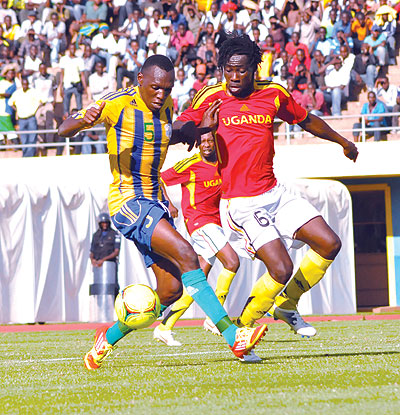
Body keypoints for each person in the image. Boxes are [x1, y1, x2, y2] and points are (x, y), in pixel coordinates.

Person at [58, 54, 268, 370]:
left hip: (154, 204)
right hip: (128, 204)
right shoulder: (118, 103)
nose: (161, 95)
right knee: (188, 254)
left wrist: (201, 129)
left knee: (169, 291)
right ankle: (234, 336)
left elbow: (174, 136)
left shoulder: (166, 106)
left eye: (167, 89)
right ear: (139, 80)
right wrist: (84, 118)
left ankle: (107, 339)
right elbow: (64, 129)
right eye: (155, 87)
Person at [176, 34, 358, 337]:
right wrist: (198, 128)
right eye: (228, 70)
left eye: (241, 70)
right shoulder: (210, 96)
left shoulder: (273, 93)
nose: (234, 77)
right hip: (240, 203)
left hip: (276, 193)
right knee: (281, 268)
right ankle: (243, 329)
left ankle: (287, 305)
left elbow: (305, 120)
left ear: (254, 69)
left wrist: (342, 141)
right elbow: (181, 125)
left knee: (329, 243)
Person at [153, 133, 250, 353]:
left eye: (210, 141)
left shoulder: (223, 164)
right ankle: (213, 317)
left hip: (216, 223)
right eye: (203, 142)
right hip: (199, 222)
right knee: (232, 262)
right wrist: (168, 203)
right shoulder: (191, 164)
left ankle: (165, 326)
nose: (206, 145)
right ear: (198, 144)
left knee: (198, 281)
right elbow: (158, 176)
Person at [9, 77, 42, 157]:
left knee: (32, 137)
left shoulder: (33, 92)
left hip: (31, 117)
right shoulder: (17, 93)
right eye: (23, 84)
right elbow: (10, 103)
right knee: (24, 138)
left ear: (28, 85)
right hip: (21, 119)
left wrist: (35, 109)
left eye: (26, 85)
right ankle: (25, 155)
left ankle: (30, 155)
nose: (25, 86)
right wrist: (17, 110)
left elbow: (42, 101)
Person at [90, 212, 121, 296]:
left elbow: (116, 251)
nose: (105, 225)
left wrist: (103, 260)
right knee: (97, 286)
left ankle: (113, 304)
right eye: (103, 223)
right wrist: (92, 259)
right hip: (97, 266)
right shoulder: (96, 235)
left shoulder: (115, 234)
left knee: (112, 286)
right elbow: (92, 250)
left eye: (106, 223)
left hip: (110, 265)